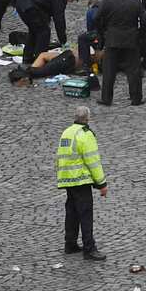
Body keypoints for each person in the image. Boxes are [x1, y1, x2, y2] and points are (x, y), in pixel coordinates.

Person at [56, 106, 108, 261]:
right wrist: (102, 183)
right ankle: (89, 248)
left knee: (71, 212)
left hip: (67, 179)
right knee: (85, 214)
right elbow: (93, 161)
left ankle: (70, 243)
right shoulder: (85, 134)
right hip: (81, 179)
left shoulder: (67, 132)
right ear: (87, 119)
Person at [95, 0, 146, 106]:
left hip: (112, 39)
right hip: (131, 38)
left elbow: (97, 19)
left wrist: (104, 32)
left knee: (109, 70)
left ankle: (106, 98)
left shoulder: (107, 1)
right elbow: (144, 21)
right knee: (133, 70)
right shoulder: (136, 2)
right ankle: (136, 98)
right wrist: (139, 34)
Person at [14, 0, 81, 68]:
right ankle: (40, 60)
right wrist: (63, 41)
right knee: (44, 32)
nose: (71, 1)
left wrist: (46, 20)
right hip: (30, 7)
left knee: (34, 31)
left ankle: (27, 57)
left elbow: (45, 6)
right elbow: (59, 20)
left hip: (22, 3)